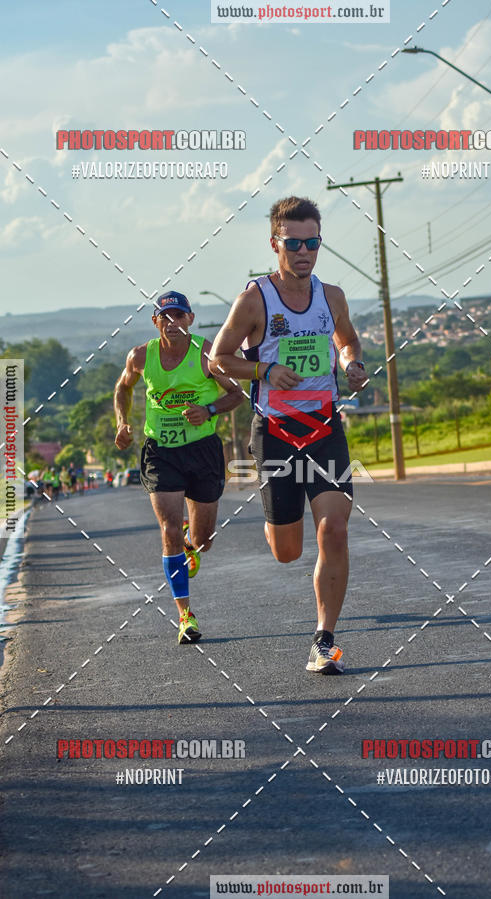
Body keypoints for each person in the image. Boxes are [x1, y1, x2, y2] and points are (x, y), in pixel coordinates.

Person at [209, 196, 367, 675]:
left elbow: (347, 340)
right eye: (294, 243)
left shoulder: (331, 295)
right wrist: (263, 369)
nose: (304, 252)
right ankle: (277, 520)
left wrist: (351, 364)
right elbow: (218, 357)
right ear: (275, 243)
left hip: (323, 429)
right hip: (275, 432)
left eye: (312, 242)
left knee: (333, 529)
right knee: (287, 551)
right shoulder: (255, 298)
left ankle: (324, 640)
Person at [114, 290, 243, 644]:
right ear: (155, 322)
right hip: (161, 451)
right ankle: (185, 615)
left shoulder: (206, 353)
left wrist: (210, 411)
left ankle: (191, 542)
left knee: (203, 541)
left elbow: (236, 394)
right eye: (165, 317)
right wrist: (122, 422)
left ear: (190, 319)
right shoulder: (141, 356)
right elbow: (122, 389)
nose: (172, 324)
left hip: (202, 450)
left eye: (178, 317)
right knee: (168, 528)